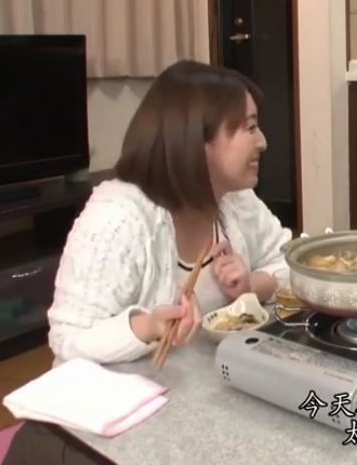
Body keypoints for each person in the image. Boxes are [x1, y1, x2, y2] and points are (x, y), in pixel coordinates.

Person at [46, 60, 291, 365]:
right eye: (250, 128)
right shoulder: (117, 219)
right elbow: (67, 338)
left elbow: (290, 262)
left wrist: (250, 287)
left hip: (209, 378)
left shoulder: (235, 199)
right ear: (196, 140)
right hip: (132, 389)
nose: (262, 142)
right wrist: (148, 327)